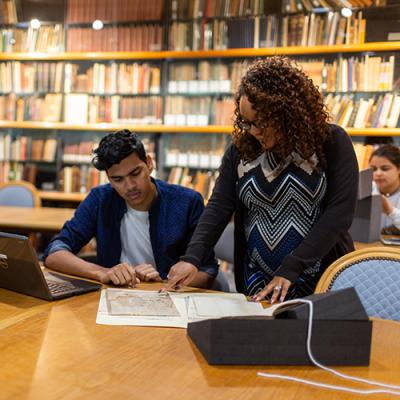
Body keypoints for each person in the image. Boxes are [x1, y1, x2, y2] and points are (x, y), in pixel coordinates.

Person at [165, 56, 359, 303]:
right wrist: (191, 258)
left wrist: (292, 267)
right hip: (256, 278)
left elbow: (339, 214)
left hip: (321, 279)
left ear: (288, 114)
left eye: (262, 123)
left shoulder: (331, 142)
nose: (253, 131)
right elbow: (218, 207)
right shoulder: (240, 150)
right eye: (246, 122)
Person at [44, 129, 218, 288]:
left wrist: (164, 281)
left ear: (149, 163)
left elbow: (207, 272)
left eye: (135, 173)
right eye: (118, 179)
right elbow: (55, 252)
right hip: (114, 297)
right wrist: (103, 272)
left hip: (168, 297)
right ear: (109, 178)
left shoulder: (187, 202)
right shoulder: (100, 199)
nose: (130, 186)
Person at [369, 144, 400, 234]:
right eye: (373, 169)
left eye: (385, 169)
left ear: (398, 169)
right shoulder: (366, 190)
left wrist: (391, 211)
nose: (378, 173)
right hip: (370, 247)